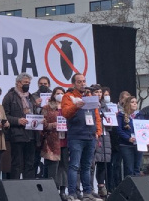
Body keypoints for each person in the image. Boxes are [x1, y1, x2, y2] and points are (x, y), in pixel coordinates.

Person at [61, 73, 102, 201]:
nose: (82, 84)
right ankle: (72, 193)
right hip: (76, 137)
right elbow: (65, 113)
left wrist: (98, 132)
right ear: (74, 84)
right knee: (74, 165)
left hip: (90, 136)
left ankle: (87, 193)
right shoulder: (68, 96)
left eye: (84, 81)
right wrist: (76, 106)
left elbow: (97, 116)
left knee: (87, 166)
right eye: (79, 82)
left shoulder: (90, 96)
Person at [2, 72, 40, 179]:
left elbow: (34, 113)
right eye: (25, 82)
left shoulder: (31, 97)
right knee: (17, 163)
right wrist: (17, 120)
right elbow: (4, 115)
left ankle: (29, 189)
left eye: (29, 82)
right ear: (18, 83)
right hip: (17, 135)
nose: (27, 84)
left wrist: (38, 120)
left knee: (30, 163)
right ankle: (16, 189)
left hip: (31, 134)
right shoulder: (9, 97)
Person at [41, 87, 66, 199]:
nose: (60, 95)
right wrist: (52, 125)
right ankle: (51, 191)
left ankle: (62, 191)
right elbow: (42, 124)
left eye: (62, 93)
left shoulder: (68, 107)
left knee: (64, 166)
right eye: (57, 93)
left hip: (65, 139)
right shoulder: (47, 107)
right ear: (53, 95)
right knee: (52, 167)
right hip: (52, 139)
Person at [90, 84, 111, 198]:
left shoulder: (105, 106)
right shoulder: (89, 105)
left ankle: (101, 186)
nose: (98, 94)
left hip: (104, 136)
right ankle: (90, 187)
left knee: (103, 162)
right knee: (91, 163)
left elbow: (110, 124)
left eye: (100, 92)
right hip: (93, 136)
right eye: (96, 92)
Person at [116, 96, 142, 177]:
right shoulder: (121, 115)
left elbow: (145, 129)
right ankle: (129, 188)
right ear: (128, 104)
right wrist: (128, 138)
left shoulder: (139, 115)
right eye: (132, 102)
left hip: (138, 145)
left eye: (136, 102)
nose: (135, 104)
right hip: (126, 145)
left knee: (137, 168)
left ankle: (137, 188)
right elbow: (119, 130)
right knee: (129, 168)